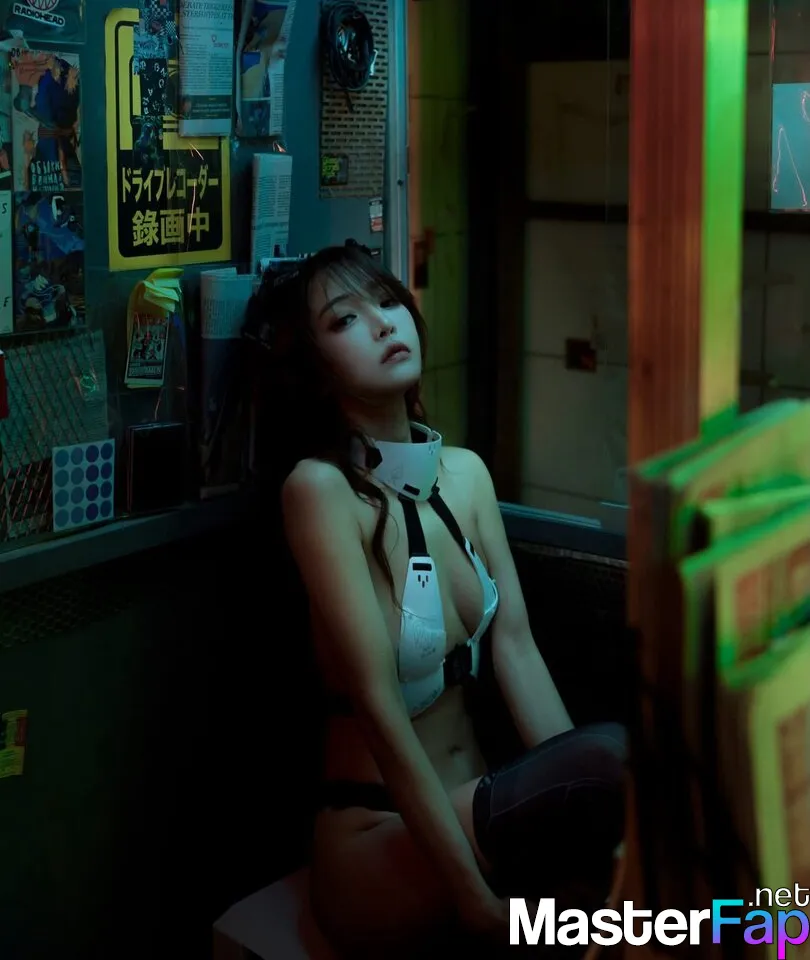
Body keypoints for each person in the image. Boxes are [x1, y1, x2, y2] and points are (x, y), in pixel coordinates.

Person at [243, 242, 627, 958]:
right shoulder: (321, 492)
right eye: (345, 320)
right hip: (383, 846)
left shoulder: (467, 474)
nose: (384, 324)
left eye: (388, 302)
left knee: (649, 877)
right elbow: (378, 707)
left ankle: (782, 921)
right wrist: (473, 899)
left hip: (489, 815)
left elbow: (516, 651)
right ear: (317, 369)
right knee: (611, 767)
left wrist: (597, 823)